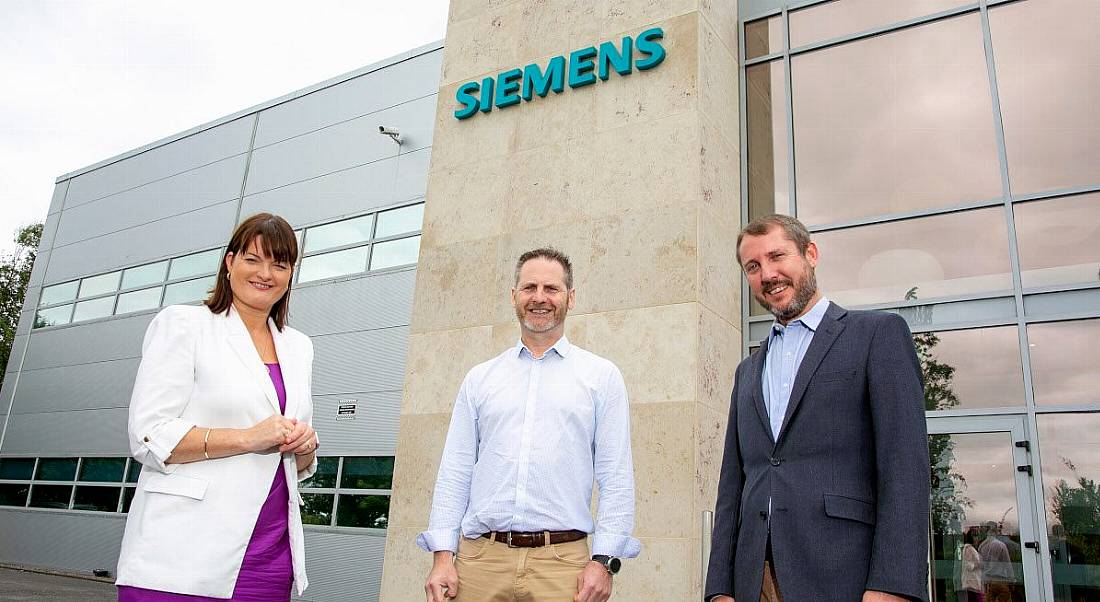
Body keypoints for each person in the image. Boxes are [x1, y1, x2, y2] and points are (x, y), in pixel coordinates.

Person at [705, 214, 931, 602]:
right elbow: (732, 486)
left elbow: (905, 469)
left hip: (846, 576)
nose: (768, 274)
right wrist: (719, 589)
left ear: (810, 253)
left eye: (778, 256)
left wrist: (893, 586)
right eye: (753, 266)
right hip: (753, 581)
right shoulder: (747, 371)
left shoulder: (876, 336)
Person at [115, 213, 319, 601]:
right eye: (253, 259)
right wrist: (247, 438)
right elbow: (150, 436)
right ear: (229, 263)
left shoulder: (299, 347)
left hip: (270, 557)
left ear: (291, 274)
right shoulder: (183, 324)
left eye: (279, 264)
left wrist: (305, 448)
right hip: (181, 554)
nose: (266, 273)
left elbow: (292, 456)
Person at [419, 248, 640, 602]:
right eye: (529, 287)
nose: (540, 298)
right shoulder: (480, 378)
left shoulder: (601, 377)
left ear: (571, 297)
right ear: (514, 296)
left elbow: (616, 477)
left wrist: (603, 562)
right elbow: (455, 472)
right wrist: (443, 556)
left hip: (563, 566)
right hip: (480, 562)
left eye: (551, 289)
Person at [979, 522, 1013, 602]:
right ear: (995, 531)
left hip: (987, 581)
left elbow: (980, 565)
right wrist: (1012, 579)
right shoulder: (1001, 545)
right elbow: (1008, 564)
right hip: (1000, 581)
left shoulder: (982, 546)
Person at [960, 527, 984, 602]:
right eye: (975, 536)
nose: (977, 539)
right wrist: (979, 565)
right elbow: (969, 566)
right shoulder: (968, 549)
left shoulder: (971, 548)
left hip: (973, 582)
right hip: (972, 583)